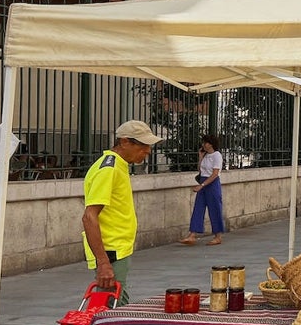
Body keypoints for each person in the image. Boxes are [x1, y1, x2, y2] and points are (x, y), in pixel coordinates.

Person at [82, 120, 161, 304]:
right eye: (143, 145)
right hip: (111, 252)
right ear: (125, 142)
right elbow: (89, 216)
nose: (148, 151)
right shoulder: (108, 169)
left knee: (117, 304)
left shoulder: (119, 165)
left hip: (118, 250)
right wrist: (103, 263)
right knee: (109, 308)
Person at [180, 134, 225, 245]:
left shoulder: (217, 156)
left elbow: (215, 174)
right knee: (198, 208)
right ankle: (192, 235)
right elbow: (200, 170)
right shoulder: (206, 156)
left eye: (206, 142)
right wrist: (200, 157)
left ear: (211, 144)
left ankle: (218, 235)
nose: (203, 145)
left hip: (212, 184)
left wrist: (202, 185)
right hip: (204, 181)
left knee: (214, 209)